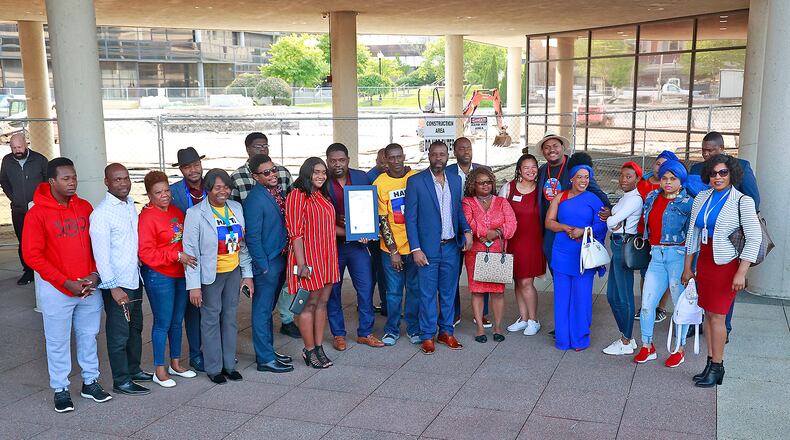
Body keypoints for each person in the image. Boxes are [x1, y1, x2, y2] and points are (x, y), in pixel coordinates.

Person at [22, 157, 111, 413]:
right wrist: (64, 282)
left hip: (87, 286)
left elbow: (97, 245)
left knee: (88, 336)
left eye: (74, 177)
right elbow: (32, 255)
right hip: (57, 288)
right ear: (52, 181)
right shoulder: (37, 213)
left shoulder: (84, 207)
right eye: (66, 178)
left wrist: (94, 274)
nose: (72, 182)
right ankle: (60, 388)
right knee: (57, 340)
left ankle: (90, 382)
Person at [682, 155, 761, 387]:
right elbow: (692, 234)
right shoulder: (702, 197)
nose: (718, 177)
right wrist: (688, 267)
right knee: (707, 314)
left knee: (718, 317)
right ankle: (710, 363)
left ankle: (718, 366)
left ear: (732, 174)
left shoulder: (742, 201)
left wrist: (741, 272)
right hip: (704, 261)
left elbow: (754, 238)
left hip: (726, 264)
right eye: (714, 173)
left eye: (723, 173)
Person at [688, 131, 761, 340]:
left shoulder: (742, 167)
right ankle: (703, 323)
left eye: (711, 150)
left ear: (722, 149)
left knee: (722, 299)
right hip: (703, 241)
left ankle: (724, 329)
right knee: (706, 295)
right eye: (703, 151)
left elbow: (753, 200)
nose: (706, 155)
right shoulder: (697, 169)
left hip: (728, 243)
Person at [183, 168, 254, 384]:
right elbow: (190, 250)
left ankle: (229, 365)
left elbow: (242, 244)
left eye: (226, 187)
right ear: (208, 190)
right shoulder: (195, 213)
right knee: (211, 319)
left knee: (230, 318)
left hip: (233, 272)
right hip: (210, 275)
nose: (223, 191)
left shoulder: (236, 208)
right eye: (217, 187)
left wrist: (247, 274)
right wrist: (194, 285)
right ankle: (214, 368)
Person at [89, 163, 152, 396]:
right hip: (117, 284)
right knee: (118, 334)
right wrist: (113, 287)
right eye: (117, 180)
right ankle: (121, 380)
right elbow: (101, 256)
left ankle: (134, 370)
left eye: (126, 178)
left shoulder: (128, 206)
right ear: (107, 182)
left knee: (135, 328)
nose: (123, 183)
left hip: (135, 279)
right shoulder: (101, 214)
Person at [230, 132, 301, 339]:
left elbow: (290, 206)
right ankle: (265, 352)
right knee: (262, 305)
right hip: (261, 252)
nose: (262, 149)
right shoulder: (239, 180)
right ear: (247, 149)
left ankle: (281, 325)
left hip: (282, 248)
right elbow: (239, 219)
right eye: (257, 146)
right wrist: (261, 264)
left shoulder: (282, 175)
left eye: (265, 145)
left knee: (282, 290)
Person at [405, 141, 473, 354]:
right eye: (434, 154)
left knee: (448, 292)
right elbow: (410, 218)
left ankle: (446, 332)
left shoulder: (455, 180)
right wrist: (415, 248)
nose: (438, 158)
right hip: (427, 249)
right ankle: (427, 335)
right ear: (429, 156)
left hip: (451, 246)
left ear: (447, 156)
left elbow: (458, 211)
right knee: (426, 294)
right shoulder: (416, 182)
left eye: (442, 154)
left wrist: (467, 230)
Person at [138, 170, 198, 388]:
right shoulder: (146, 217)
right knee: (162, 322)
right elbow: (146, 253)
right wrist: (176, 255)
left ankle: (175, 364)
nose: (164, 195)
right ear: (149, 195)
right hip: (159, 275)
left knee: (176, 320)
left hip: (180, 273)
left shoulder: (175, 211)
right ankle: (159, 369)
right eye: (158, 192)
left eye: (166, 190)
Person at [633, 160, 694, 367]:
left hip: (678, 255)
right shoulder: (652, 196)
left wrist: (689, 267)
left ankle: (680, 348)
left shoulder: (688, 202)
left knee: (680, 307)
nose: (667, 182)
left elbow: (694, 236)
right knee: (647, 305)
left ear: (680, 180)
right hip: (656, 255)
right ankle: (647, 346)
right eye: (665, 178)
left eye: (673, 179)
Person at [325, 143, 384, 351]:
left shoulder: (361, 177)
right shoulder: (323, 181)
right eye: (333, 161)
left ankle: (365, 332)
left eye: (341, 160)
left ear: (348, 160)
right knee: (334, 290)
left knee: (366, 288)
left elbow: (371, 206)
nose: (337, 164)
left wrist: (369, 230)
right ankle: (338, 334)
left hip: (359, 246)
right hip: (333, 246)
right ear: (327, 161)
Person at [544, 164, 607, 351]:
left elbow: (603, 225)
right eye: (579, 177)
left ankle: (580, 339)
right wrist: (564, 227)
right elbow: (549, 222)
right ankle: (563, 339)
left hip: (583, 255)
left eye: (587, 177)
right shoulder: (560, 197)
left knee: (582, 297)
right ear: (571, 179)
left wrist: (584, 231)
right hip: (562, 252)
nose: (583, 181)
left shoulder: (594, 199)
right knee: (562, 298)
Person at [285, 157, 340, 368]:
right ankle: (309, 350)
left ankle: (319, 347)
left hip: (327, 258)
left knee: (322, 304)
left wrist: (355, 234)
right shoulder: (297, 196)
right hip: (309, 260)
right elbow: (295, 234)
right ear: (307, 173)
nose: (321, 176)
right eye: (316, 172)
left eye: (323, 172)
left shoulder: (322, 196)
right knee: (307, 306)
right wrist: (302, 264)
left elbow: (329, 228)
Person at [243, 154, 295, 373]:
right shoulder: (255, 199)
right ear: (256, 177)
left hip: (279, 259)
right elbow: (252, 237)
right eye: (266, 172)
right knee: (262, 312)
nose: (272, 175)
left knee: (268, 310)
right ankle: (264, 358)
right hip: (267, 263)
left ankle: (268, 352)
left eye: (273, 170)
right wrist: (262, 266)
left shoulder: (276, 192)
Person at [536, 132, 611, 268]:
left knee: (574, 268)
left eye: (555, 146)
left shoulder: (575, 166)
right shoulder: (542, 170)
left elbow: (595, 189)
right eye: (547, 147)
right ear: (543, 151)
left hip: (572, 228)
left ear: (563, 147)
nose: (551, 150)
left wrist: (608, 208)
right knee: (555, 268)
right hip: (551, 227)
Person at [462, 167, 517, 342]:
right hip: (476, 254)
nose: (486, 185)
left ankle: (498, 327)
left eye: (489, 182)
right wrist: (485, 233)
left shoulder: (502, 202)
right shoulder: (467, 202)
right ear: (473, 184)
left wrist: (498, 232)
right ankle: (479, 327)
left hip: (497, 253)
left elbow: (512, 224)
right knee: (477, 292)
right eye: (481, 182)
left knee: (498, 292)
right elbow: (468, 222)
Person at [375, 143, 420, 346]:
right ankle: (392, 330)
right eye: (391, 158)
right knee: (393, 292)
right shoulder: (380, 183)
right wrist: (393, 250)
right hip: (391, 249)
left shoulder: (415, 177)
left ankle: (413, 328)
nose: (396, 161)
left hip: (415, 247)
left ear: (404, 156)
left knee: (414, 289)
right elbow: (383, 220)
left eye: (398, 157)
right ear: (385, 160)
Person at [445, 136, 490, 327]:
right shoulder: (446, 172)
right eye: (461, 148)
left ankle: (482, 313)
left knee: (481, 272)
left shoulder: (482, 171)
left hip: (478, 232)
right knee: (452, 273)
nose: (466, 151)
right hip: (454, 231)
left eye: (468, 148)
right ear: (455, 152)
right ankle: (454, 313)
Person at [499, 154, 546, 336]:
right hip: (512, 242)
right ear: (519, 169)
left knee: (527, 281)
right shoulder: (508, 188)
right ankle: (523, 318)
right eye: (526, 167)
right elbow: (499, 211)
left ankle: (534, 320)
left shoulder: (541, 190)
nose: (530, 171)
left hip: (532, 242)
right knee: (518, 281)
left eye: (534, 167)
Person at [599, 162, 643, 355]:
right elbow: (611, 219)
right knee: (612, 295)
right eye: (622, 175)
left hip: (624, 245)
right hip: (617, 243)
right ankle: (628, 337)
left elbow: (611, 220)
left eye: (629, 177)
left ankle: (625, 340)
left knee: (623, 295)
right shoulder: (626, 197)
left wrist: (612, 219)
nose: (624, 180)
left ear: (637, 179)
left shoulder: (635, 199)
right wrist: (612, 220)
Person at [169, 147, 206, 372]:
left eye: (195, 164)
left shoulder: (213, 184)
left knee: (214, 308)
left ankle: (215, 349)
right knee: (193, 310)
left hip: (214, 256)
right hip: (188, 258)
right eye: (187, 167)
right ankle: (196, 354)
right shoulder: (173, 192)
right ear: (181, 170)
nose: (193, 170)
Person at [635, 150, 679, 324]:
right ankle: (647, 304)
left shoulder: (671, 187)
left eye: (665, 165)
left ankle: (661, 307)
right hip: (644, 236)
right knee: (646, 272)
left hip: (665, 239)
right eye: (658, 163)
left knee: (667, 274)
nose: (660, 167)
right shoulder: (642, 183)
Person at [0, 133, 47, 285]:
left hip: (39, 209)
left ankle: (44, 270)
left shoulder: (40, 160)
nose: (17, 150)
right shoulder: (7, 161)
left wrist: (42, 201)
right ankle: (28, 271)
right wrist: (14, 197)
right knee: (23, 241)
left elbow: (48, 182)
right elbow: (4, 181)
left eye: (19, 147)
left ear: (26, 145)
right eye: (13, 148)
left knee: (43, 240)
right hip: (19, 209)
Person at [367, 147, 389, 316]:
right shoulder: (370, 177)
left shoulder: (401, 176)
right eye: (381, 161)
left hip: (394, 230)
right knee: (379, 268)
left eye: (386, 161)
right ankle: (384, 303)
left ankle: (387, 302)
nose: (385, 164)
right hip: (375, 232)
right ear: (376, 161)